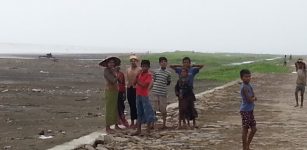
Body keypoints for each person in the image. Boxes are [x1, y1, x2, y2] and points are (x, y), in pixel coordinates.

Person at [132, 60, 156, 135]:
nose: (144, 68)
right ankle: (138, 130)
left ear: (148, 67)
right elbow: (133, 83)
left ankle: (148, 130)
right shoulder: (140, 74)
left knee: (147, 111)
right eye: (143, 66)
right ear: (141, 67)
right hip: (138, 94)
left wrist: (137, 80)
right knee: (139, 112)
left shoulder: (149, 75)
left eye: (146, 66)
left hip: (144, 95)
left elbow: (144, 85)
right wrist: (136, 77)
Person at [99, 56, 121, 133]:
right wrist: (117, 74)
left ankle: (116, 125)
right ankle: (107, 127)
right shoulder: (106, 71)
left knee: (115, 108)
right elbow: (113, 81)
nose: (112, 64)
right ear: (107, 63)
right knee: (109, 108)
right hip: (110, 91)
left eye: (113, 62)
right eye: (110, 62)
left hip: (115, 90)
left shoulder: (112, 70)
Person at [150, 57, 171, 129]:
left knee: (163, 109)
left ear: (167, 63)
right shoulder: (155, 72)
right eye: (162, 61)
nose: (163, 63)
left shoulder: (168, 73)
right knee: (154, 109)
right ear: (159, 63)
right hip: (155, 92)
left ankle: (164, 124)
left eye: (165, 61)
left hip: (163, 93)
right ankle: (152, 124)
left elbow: (168, 82)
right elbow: (153, 80)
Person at [239, 69, 257, 150]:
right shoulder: (244, 87)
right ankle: (244, 147)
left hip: (250, 110)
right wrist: (253, 98)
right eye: (246, 77)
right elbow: (250, 99)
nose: (248, 78)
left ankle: (247, 146)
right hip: (245, 110)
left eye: (249, 76)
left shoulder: (249, 85)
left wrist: (253, 98)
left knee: (254, 129)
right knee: (245, 129)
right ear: (241, 78)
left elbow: (253, 95)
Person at [126, 54, 141, 128]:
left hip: (137, 88)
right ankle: (132, 121)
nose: (133, 62)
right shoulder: (128, 69)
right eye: (131, 60)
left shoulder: (139, 69)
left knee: (137, 105)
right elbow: (128, 79)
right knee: (131, 105)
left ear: (137, 61)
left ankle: (138, 121)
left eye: (134, 60)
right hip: (129, 88)